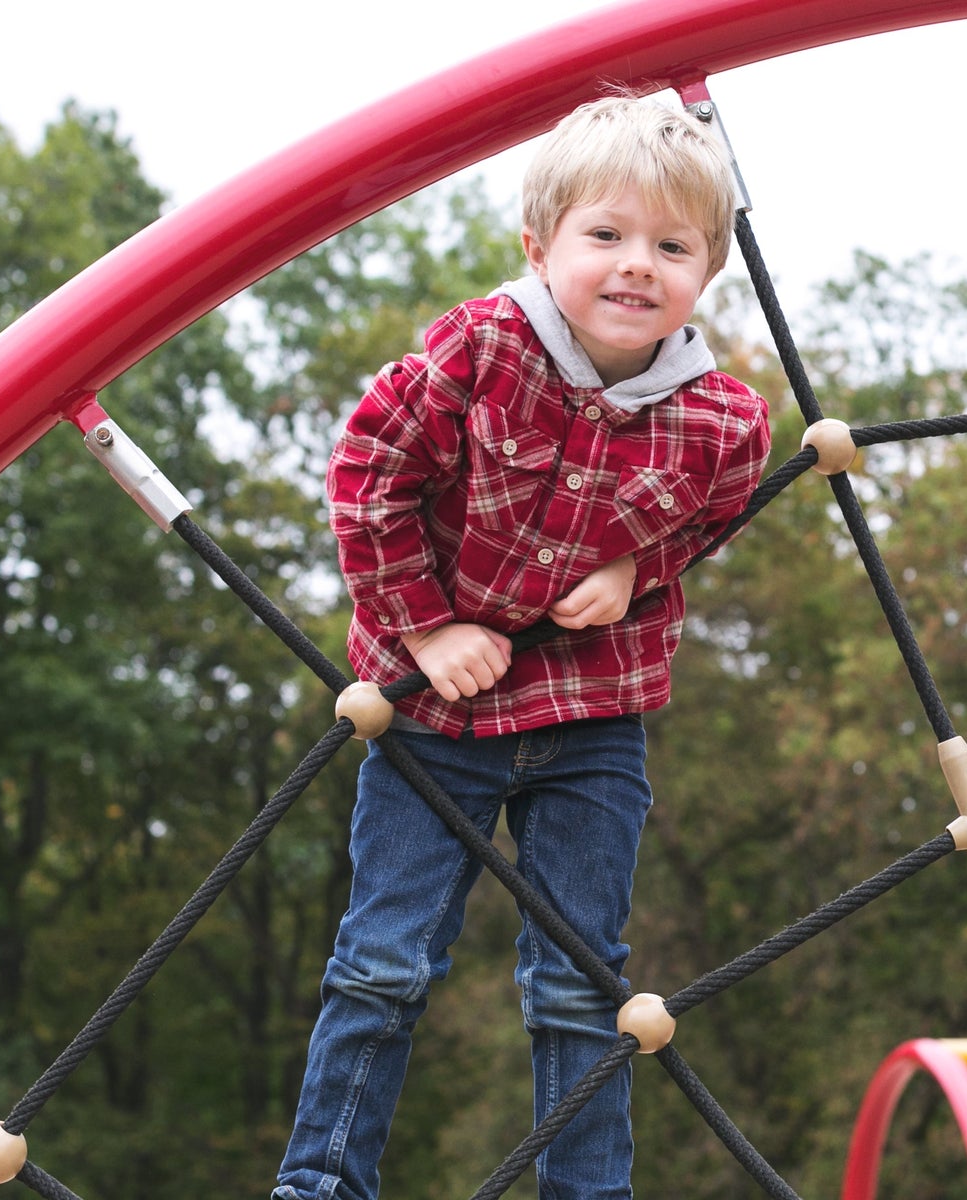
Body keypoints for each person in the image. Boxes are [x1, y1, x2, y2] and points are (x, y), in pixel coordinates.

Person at [274, 97, 772, 1200]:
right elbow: (368, 479)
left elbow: (715, 512)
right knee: (383, 966)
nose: (638, 266)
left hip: (594, 721)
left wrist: (639, 567)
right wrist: (426, 623)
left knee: (582, 983)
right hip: (439, 715)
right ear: (540, 247)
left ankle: (585, 1193)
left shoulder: (723, 420)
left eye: (672, 246)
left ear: (708, 272)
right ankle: (319, 1187)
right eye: (607, 236)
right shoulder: (480, 350)